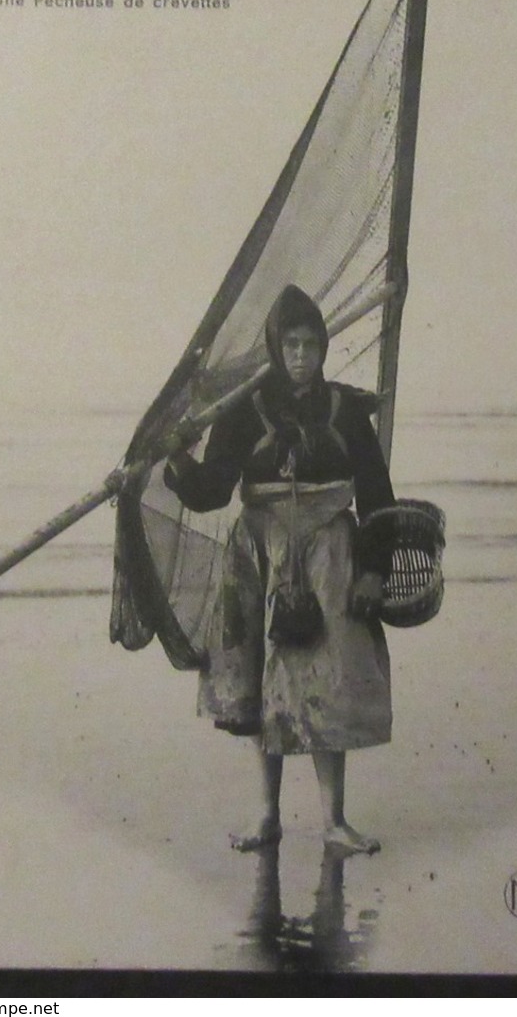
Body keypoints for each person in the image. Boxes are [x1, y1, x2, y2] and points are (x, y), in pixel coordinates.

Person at [164, 285, 396, 854]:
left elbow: (378, 497)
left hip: (330, 556)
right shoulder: (243, 410)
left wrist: (372, 571)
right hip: (262, 554)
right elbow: (215, 491)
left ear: (323, 347)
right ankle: (267, 816)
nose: (300, 355)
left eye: (310, 343)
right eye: (290, 344)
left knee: (329, 679)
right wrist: (175, 459)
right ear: (274, 348)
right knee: (260, 679)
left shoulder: (345, 410)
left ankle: (334, 822)